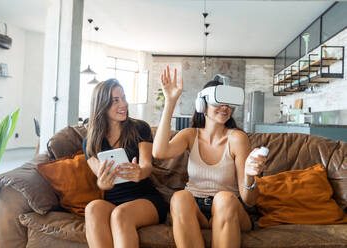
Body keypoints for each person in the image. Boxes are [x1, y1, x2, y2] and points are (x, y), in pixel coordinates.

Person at [152, 66, 267, 248]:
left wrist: (249, 175)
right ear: (201, 104)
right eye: (218, 101)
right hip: (194, 210)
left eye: (229, 103)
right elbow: (159, 152)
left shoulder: (237, 138)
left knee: (224, 198)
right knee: (180, 197)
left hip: (229, 208)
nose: (225, 107)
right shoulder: (190, 135)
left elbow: (249, 200)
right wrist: (170, 102)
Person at [83, 78, 167, 248]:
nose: (124, 104)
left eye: (124, 98)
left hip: (145, 199)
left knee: (120, 214)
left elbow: (146, 165)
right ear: (101, 105)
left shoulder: (140, 128)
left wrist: (140, 173)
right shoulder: (90, 141)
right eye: (116, 100)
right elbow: (101, 181)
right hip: (113, 200)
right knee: (92, 208)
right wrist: (103, 183)